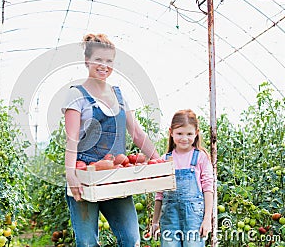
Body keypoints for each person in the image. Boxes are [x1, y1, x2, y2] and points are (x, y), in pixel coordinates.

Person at [62, 33, 160, 247]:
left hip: (117, 176)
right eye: (98, 60)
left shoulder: (118, 95)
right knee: (87, 243)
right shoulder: (76, 95)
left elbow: (137, 134)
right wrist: (71, 175)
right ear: (87, 61)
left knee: (131, 239)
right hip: (86, 175)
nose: (104, 66)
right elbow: (72, 140)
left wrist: (159, 162)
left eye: (109, 61)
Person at [151, 109, 214, 247]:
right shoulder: (165, 160)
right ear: (171, 132)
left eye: (189, 134)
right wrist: (155, 221)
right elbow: (160, 194)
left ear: (196, 133)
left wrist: (207, 219)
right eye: (179, 134)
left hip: (194, 218)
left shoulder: (201, 157)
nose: (184, 138)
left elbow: (208, 189)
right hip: (169, 218)